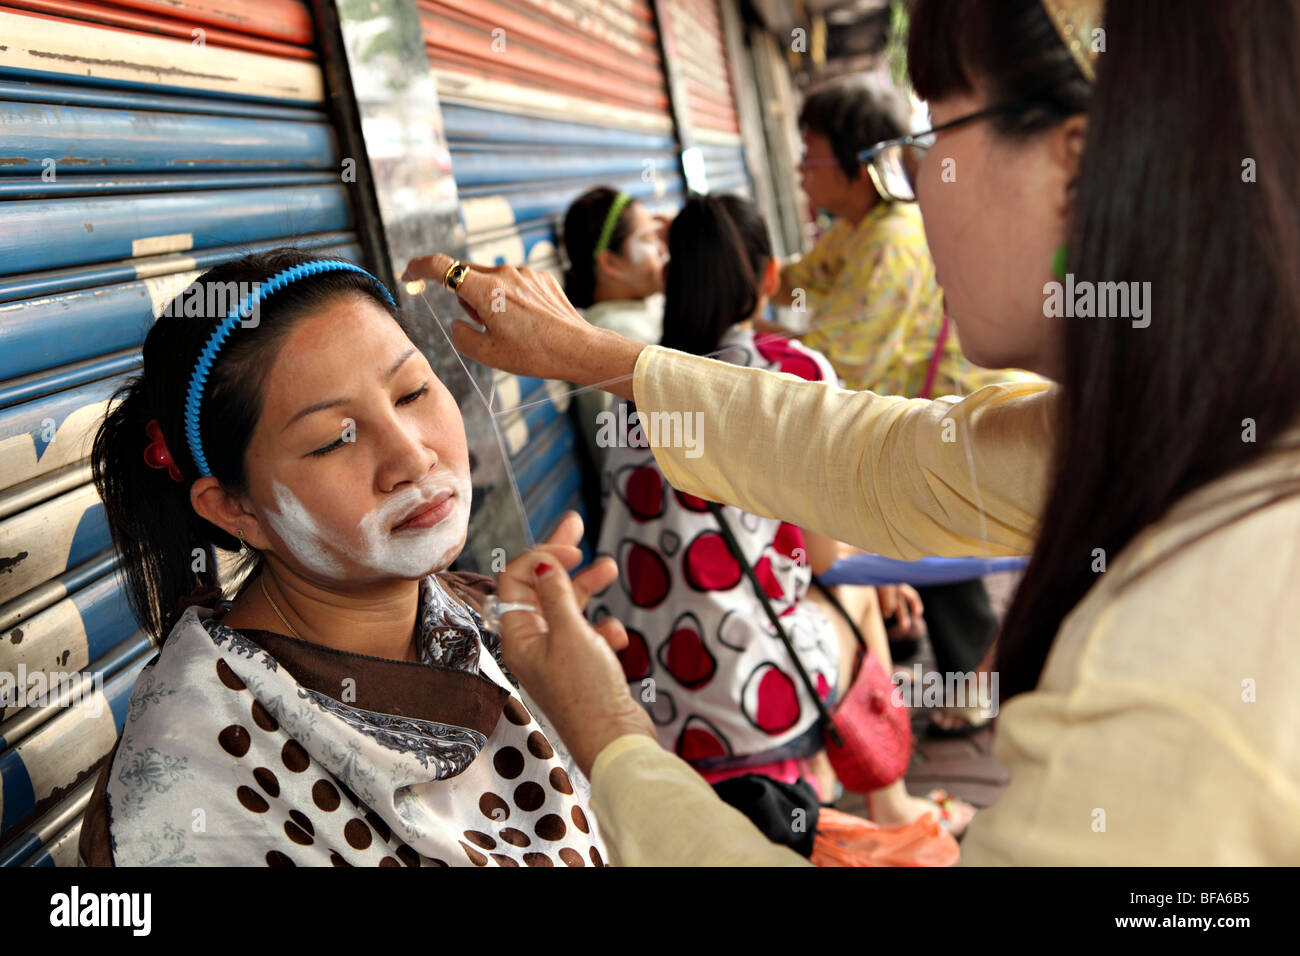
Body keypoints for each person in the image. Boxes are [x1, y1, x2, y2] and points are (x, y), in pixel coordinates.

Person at [403, 0, 1300, 865]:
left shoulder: (1183, 658)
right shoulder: (1201, 435)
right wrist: (598, 356)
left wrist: (610, 736)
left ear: (1074, 165)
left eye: (932, 141)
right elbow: (882, 457)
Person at [79, 247, 614, 867]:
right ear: (234, 510)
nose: (412, 458)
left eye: (412, 393)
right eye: (335, 439)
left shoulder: (498, 625)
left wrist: (596, 718)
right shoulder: (191, 775)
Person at [593, 191, 973, 835]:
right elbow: (825, 558)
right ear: (769, 277)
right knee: (855, 598)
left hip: (644, 691)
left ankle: (821, 776)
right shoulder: (792, 369)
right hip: (747, 689)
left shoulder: (633, 396)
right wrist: (888, 574)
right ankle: (892, 804)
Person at [773, 76, 1027, 730]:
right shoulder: (855, 230)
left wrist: (745, 344)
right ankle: (966, 679)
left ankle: (978, 689)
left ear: (858, 161)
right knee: (936, 553)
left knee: (944, 552)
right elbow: (798, 276)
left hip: (956, 426)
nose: (801, 168)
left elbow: (844, 357)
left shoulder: (889, 238)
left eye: (810, 151)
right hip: (929, 428)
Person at [561, 188, 669, 472]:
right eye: (647, 239)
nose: (662, 250)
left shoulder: (641, 309)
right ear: (610, 262)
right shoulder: (610, 339)